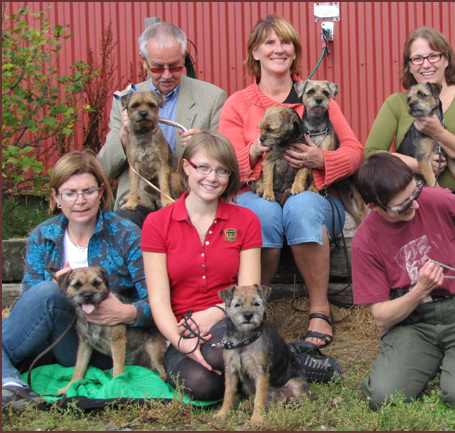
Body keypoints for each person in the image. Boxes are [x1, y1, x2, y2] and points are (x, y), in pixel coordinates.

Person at [218, 15, 364, 348]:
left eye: (286, 43)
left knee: (300, 208)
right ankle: (253, 311)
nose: (278, 49)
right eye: (269, 43)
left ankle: (319, 308)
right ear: (255, 52)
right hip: (258, 192)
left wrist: (322, 160)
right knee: (261, 214)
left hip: (315, 195)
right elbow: (223, 167)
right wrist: (254, 150)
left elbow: (355, 152)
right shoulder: (238, 105)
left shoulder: (316, 95)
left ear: (294, 51)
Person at [351, 153, 455, 410]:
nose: (415, 206)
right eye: (403, 206)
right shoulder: (364, 240)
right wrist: (419, 291)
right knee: (383, 397)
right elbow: (382, 316)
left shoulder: (438, 199)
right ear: (374, 207)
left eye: (415, 193)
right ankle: (441, 358)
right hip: (414, 320)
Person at [2, 150, 149, 410]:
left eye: (88, 191)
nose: (80, 201)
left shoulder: (125, 233)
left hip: (111, 346)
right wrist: (62, 293)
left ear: (102, 192)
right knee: (47, 292)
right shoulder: (43, 237)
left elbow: (156, 300)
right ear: (56, 197)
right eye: (70, 193)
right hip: (64, 340)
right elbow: (29, 305)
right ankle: (8, 380)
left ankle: (8, 381)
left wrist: (127, 312)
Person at [141, 131, 262, 401]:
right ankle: (255, 372)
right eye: (203, 167)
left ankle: (260, 366)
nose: (212, 178)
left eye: (222, 170)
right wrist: (183, 343)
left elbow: (248, 293)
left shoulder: (246, 220)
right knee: (201, 385)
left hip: (233, 323)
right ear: (186, 167)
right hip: (182, 329)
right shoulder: (157, 223)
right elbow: (158, 299)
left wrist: (215, 312)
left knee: (219, 351)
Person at [98, 21, 228, 227]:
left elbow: (228, 160)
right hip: (139, 196)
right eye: (158, 67)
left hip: (189, 194)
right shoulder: (124, 100)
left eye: (175, 66)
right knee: (125, 224)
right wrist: (123, 136)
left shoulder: (212, 98)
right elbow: (104, 170)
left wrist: (205, 145)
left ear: (184, 58)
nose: (167, 75)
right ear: (143, 61)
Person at [364, 26, 455, 223]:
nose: (425, 64)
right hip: (412, 196)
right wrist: (419, 165)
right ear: (409, 65)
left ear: (446, 59)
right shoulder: (396, 102)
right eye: (417, 58)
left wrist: (438, 132)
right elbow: (372, 153)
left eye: (433, 56)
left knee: (435, 212)